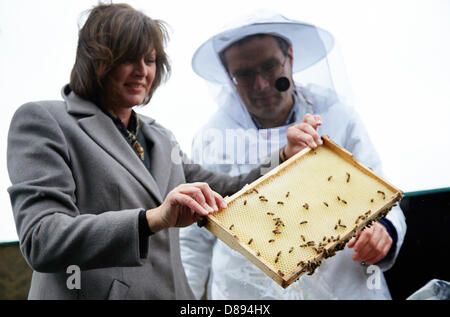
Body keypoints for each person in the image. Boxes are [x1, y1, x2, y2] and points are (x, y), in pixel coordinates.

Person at [6, 4, 320, 300]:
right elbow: (41, 239)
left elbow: (222, 190)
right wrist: (152, 219)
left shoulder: (159, 136)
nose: (142, 70)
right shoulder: (45, 121)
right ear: (96, 59)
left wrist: (283, 156)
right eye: (129, 58)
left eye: (151, 59)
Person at [179, 12, 407, 299]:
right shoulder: (212, 136)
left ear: (290, 57)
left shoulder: (337, 115)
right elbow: (194, 239)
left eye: (270, 67)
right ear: (229, 77)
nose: (261, 85)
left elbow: (383, 193)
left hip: (342, 287)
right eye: (245, 74)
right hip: (247, 295)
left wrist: (385, 230)